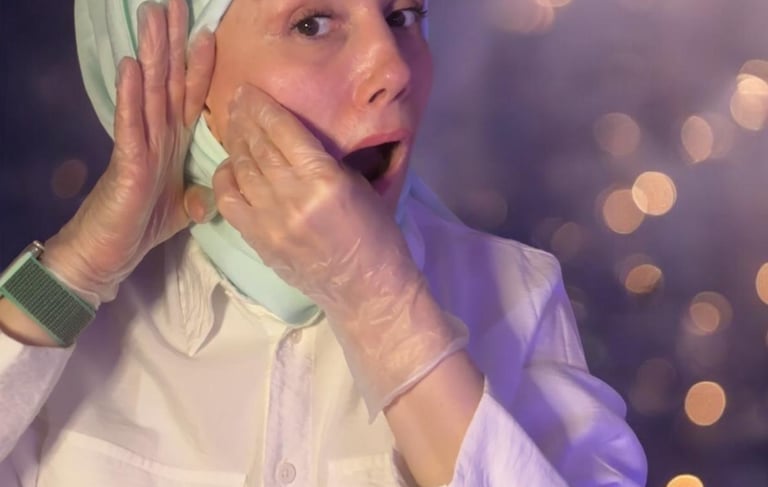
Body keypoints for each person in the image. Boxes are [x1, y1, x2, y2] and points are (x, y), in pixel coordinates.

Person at [0, 0, 647, 485]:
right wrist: (71, 274)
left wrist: (384, 310)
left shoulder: (515, 293)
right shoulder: (80, 327)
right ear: (179, 81)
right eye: (311, 24)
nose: (394, 69)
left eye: (402, 15)